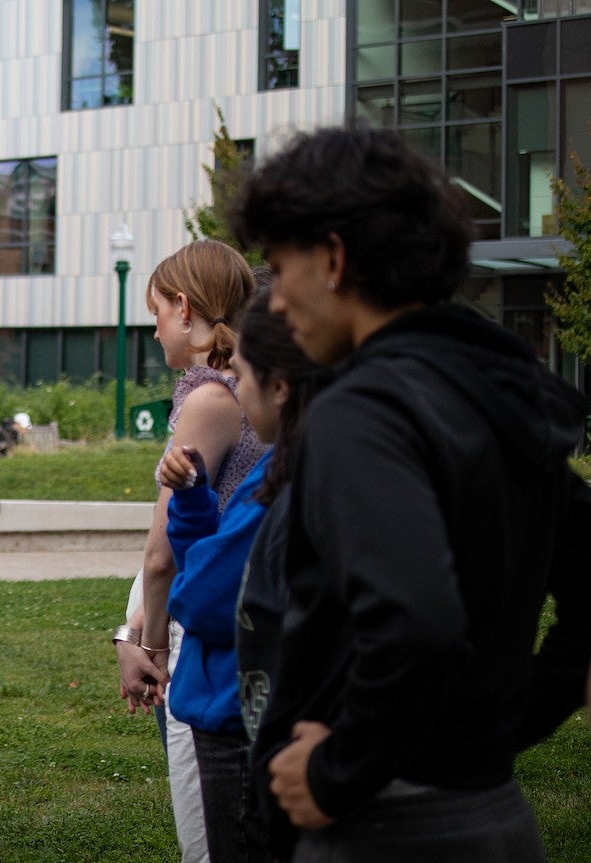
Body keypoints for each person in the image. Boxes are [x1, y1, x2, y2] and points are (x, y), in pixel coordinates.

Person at [230, 124, 591, 861]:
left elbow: (416, 619)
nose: (272, 302)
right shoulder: (494, 387)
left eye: (278, 264)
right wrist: (507, 719)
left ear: (332, 257)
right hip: (494, 815)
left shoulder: (362, 410)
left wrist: (338, 771)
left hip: (384, 829)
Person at [158, 288, 325, 863]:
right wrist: (193, 499)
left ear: (278, 387)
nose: (235, 387)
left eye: (243, 375)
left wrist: (189, 534)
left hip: (239, 718)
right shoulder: (277, 473)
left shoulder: (283, 486)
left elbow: (199, 598)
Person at [111, 239, 263, 863]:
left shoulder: (208, 397)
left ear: (182, 307)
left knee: (206, 829)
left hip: (196, 618)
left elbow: (162, 549)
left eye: (153, 314)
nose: (152, 332)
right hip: (209, 605)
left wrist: (145, 642)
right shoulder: (230, 386)